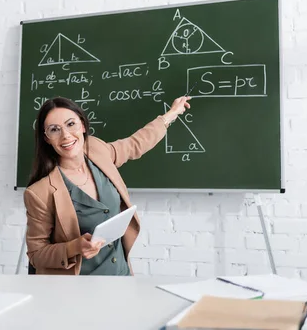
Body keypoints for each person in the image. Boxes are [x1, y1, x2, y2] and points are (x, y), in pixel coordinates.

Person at [23, 95, 192, 275]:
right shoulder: (40, 192)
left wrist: (172, 114)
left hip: (122, 277)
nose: (65, 135)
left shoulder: (97, 150)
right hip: (78, 290)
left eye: (71, 124)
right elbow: (37, 254)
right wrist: (73, 248)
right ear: (47, 138)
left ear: (83, 125)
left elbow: (135, 144)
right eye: (54, 129)